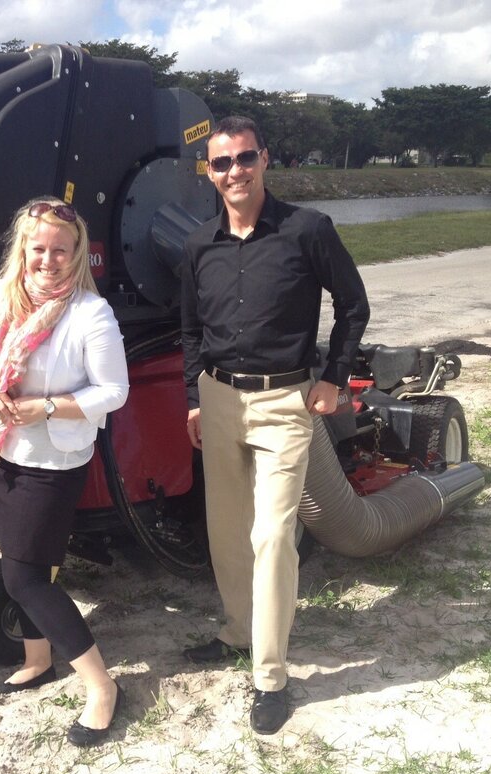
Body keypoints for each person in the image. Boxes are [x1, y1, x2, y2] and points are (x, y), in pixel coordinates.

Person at [179, 116, 370, 734]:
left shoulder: (307, 230)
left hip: (285, 403)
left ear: (265, 160)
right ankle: (238, 630)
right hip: (216, 399)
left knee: (272, 537)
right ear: (207, 173)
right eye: (220, 163)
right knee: (226, 532)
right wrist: (191, 400)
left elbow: (353, 305)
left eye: (243, 159)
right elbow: (188, 331)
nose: (233, 172)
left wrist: (333, 377)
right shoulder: (197, 243)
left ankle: (270, 675)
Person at [0, 197, 129, 747]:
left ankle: (101, 685)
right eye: (39, 248)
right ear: (23, 250)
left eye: (61, 249)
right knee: (28, 560)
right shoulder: (0, 299)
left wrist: (46, 406)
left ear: (77, 253)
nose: (48, 259)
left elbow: (114, 392)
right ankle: (39, 659)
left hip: (54, 461)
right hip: (3, 450)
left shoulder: (89, 313)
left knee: (25, 578)